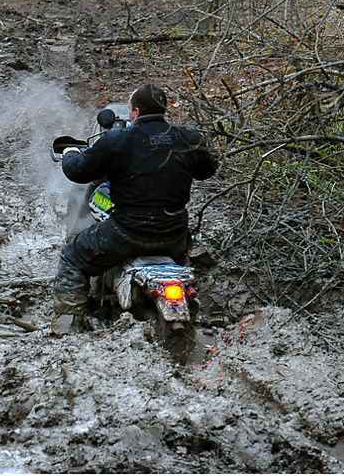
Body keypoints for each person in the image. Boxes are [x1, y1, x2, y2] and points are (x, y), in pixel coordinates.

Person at [51, 83, 219, 334]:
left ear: (136, 112)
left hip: (126, 234)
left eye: (129, 109)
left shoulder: (117, 139)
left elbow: (78, 171)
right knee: (187, 258)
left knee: (72, 256)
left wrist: (71, 153)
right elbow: (208, 170)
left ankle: (67, 324)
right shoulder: (188, 138)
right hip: (174, 236)